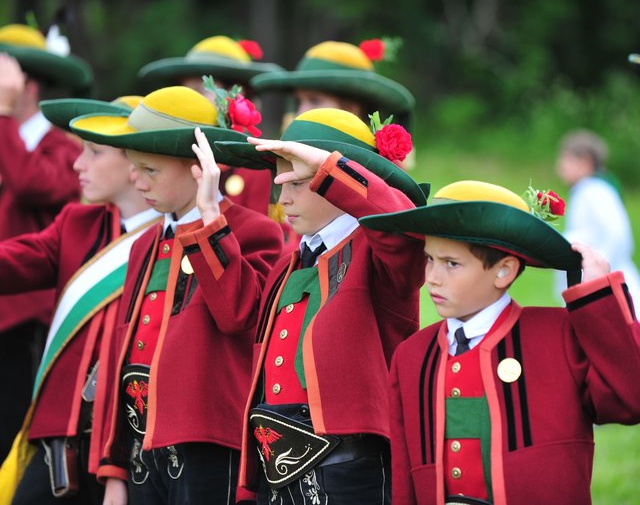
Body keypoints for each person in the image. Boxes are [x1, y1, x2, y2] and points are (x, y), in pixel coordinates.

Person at [358, 180, 640, 504]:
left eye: (451, 263)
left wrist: (598, 296)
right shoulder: (411, 356)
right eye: (429, 259)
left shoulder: (558, 336)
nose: (433, 277)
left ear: (504, 271)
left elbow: (630, 399)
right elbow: (404, 482)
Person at [68, 85, 283, 504]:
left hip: (209, 447)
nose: (136, 179)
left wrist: (209, 219)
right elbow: (123, 355)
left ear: (199, 169)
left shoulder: (254, 231)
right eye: (135, 166)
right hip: (140, 448)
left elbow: (237, 315)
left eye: (151, 170)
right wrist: (115, 472)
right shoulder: (144, 245)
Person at [214, 107, 428, 504]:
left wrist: (328, 164)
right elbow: (237, 314)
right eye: (280, 183)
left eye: (298, 183)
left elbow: (404, 231)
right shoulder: (292, 259)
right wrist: (208, 219)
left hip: (349, 472)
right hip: (274, 468)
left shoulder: (379, 253)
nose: (283, 198)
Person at [0, 95, 160, 505]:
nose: (77, 163)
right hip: (60, 445)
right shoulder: (78, 222)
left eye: (94, 151)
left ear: (136, 162)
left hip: (137, 447)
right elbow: (13, 262)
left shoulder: (179, 236)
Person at [0, 22, 93, 462]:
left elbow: (31, 184)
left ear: (26, 85)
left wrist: (3, 113)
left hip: (26, 318)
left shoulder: (63, 147)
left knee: (14, 434)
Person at [138, 35, 284, 216]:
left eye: (199, 91)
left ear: (231, 95)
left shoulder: (257, 169)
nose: (188, 100)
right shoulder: (171, 162)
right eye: (184, 91)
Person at [249, 39, 415, 130]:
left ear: (352, 110)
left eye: (314, 100)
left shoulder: (380, 176)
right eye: (299, 102)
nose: (300, 113)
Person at [555, 129, 640, 303]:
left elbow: (617, 234)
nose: (560, 165)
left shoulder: (595, 191)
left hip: (609, 288)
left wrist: (596, 276)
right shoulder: (587, 191)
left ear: (585, 162)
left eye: (566, 159)